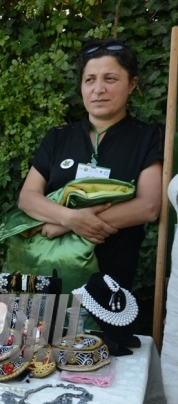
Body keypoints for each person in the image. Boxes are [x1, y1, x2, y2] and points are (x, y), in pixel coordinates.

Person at [17, 39, 162, 291]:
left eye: (110, 79)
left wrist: (65, 225)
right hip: (49, 272)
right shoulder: (58, 137)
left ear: (132, 85)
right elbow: (28, 198)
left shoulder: (148, 137)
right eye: (90, 80)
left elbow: (148, 207)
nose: (98, 89)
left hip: (110, 278)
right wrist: (70, 218)